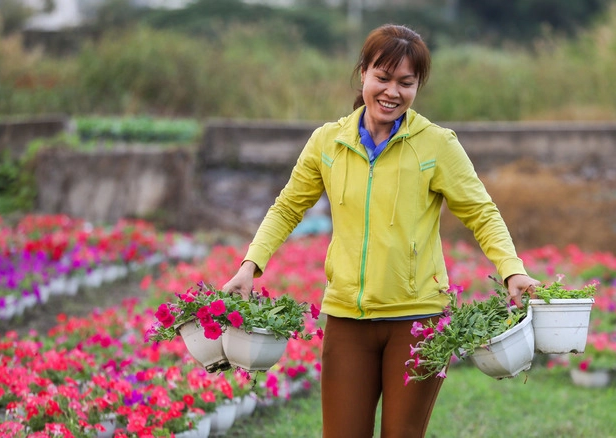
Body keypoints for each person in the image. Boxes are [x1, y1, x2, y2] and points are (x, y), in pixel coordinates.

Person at [222, 23, 540, 438]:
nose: (392, 92)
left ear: (418, 86)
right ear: (363, 74)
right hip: (346, 319)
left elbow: (481, 212)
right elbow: (287, 207)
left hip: (419, 320)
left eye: (406, 83)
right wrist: (251, 264)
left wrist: (511, 268)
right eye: (383, 77)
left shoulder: (436, 144)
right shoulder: (327, 142)